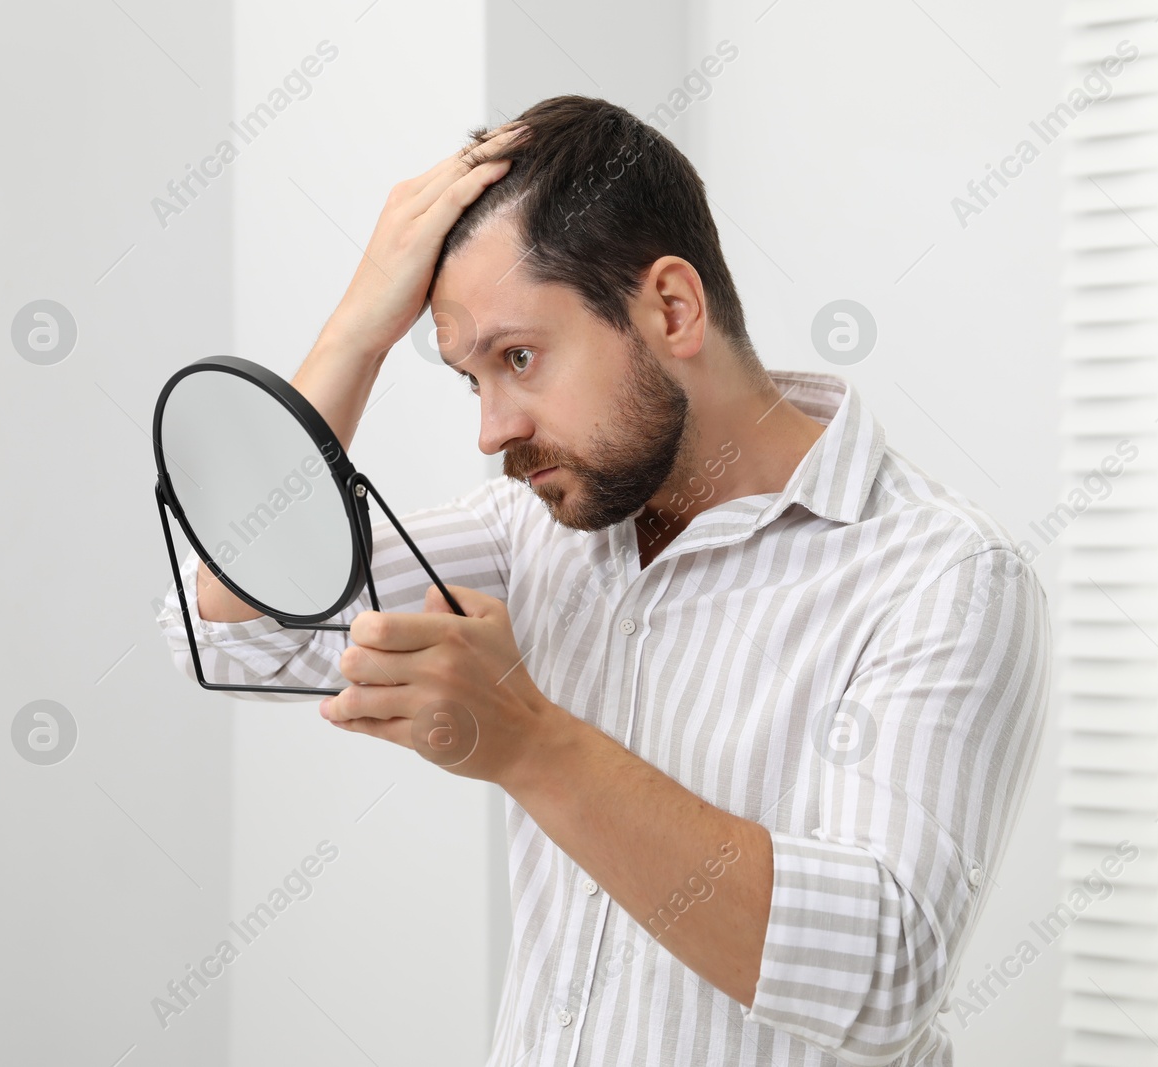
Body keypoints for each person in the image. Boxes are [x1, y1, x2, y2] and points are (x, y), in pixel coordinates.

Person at [157, 94, 1051, 1067]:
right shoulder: (531, 533)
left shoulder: (940, 574)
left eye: (519, 357)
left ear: (671, 308)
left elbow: (883, 975)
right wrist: (356, 331)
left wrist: (532, 745)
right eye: (472, 378)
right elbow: (235, 629)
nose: (492, 428)